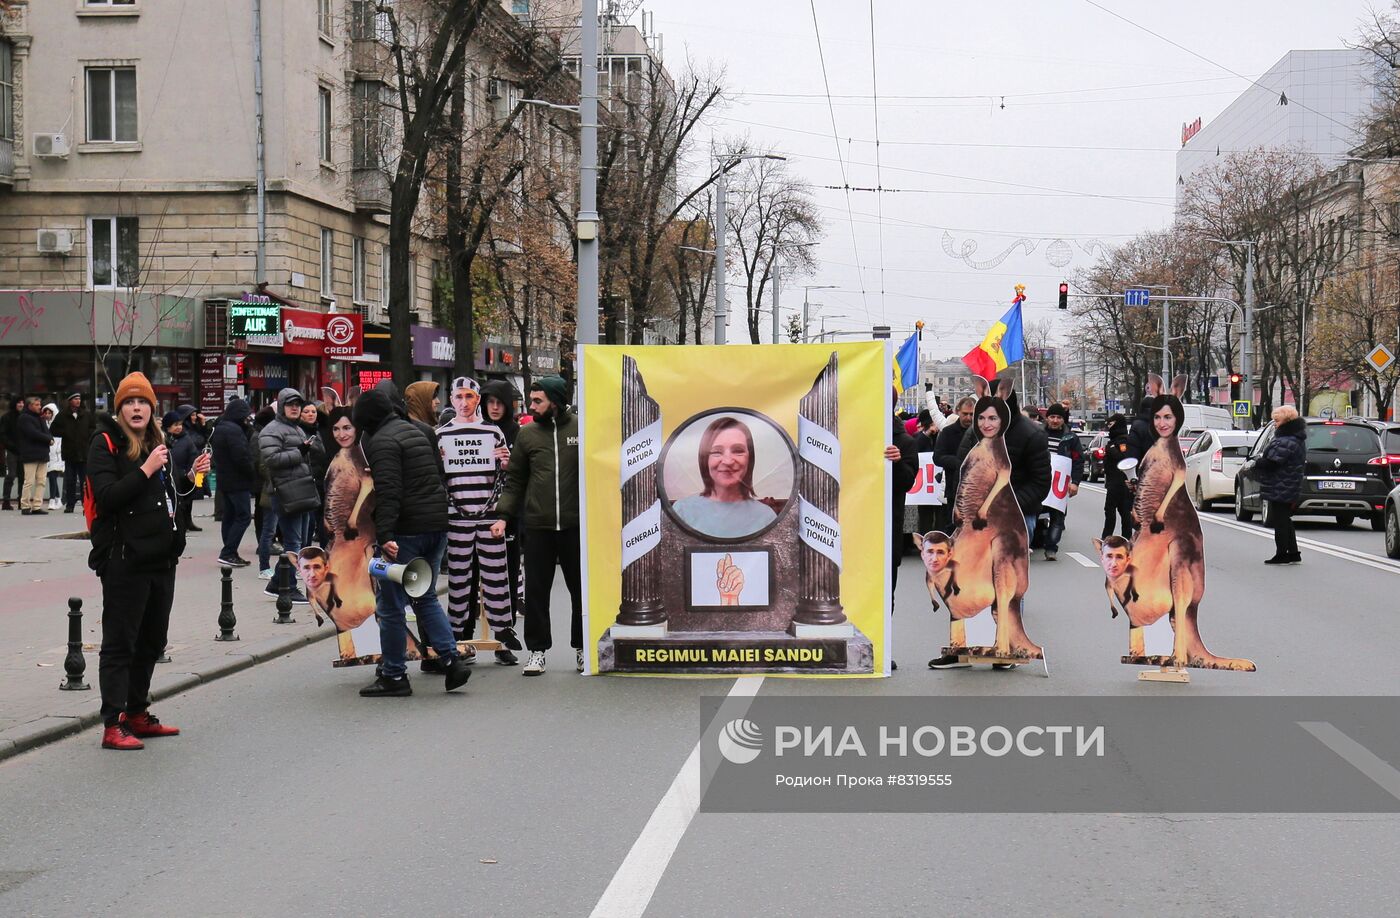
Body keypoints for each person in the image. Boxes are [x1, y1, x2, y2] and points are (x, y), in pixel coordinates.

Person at [87, 372, 211, 750]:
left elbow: (169, 497)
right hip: (125, 558)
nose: (136, 407)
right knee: (120, 643)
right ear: (120, 409)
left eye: (143, 402)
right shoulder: (105, 443)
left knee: (152, 640)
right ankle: (113, 723)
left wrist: (190, 476)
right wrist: (145, 470)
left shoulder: (158, 444)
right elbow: (107, 497)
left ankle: (137, 712)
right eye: (129, 402)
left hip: (161, 559)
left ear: (152, 409)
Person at [352, 388, 471, 696]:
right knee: (425, 596)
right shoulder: (418, 431)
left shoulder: (383, 441)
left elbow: (390, 492)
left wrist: (386, 536)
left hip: (405, 533)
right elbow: (436, 476)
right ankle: (451, 659)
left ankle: (393, 676)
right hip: (435, 527)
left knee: (390, 606)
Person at [490, 376, 583, 676]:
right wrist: (503, 516)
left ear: (554, 401)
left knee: (580, 591)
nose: (531, 406)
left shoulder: (581, 428)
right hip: (538, 526)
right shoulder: (528, 435)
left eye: (537, 401)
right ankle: (537, 652)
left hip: (575, 526)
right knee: (536, 592)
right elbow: (515, 480)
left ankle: (582, 649)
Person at [439, 377, 519, 666]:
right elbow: (439, 477)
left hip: (489, 516)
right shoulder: (442, 435)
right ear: (451, 400)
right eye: (459, 396)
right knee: (460, 578)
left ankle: (502, 633)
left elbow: (506, 476)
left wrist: (507, 464)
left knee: (496, 575)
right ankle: (457, 637)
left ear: (477, 400)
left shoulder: (493, 432)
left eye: (469, 396)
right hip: (457, 517)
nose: (464, 402)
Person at [957, 385, 1051, 544]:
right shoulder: (976, 431)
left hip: (1018, 514)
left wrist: (1008, 505)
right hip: (976, 514)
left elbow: (1040, 482)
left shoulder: (1032, 435)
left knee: (1009, 567)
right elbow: (963, 471)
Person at [258, 389, 322, 602]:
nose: (295, 408)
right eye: (290, 404)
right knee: (293, 544)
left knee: (301, 543)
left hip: (302, 490)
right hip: (286, 493)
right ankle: (288, 587)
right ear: (282, 405)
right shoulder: (271, 430)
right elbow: (271, 459)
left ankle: (277, 583)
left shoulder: (297, 428)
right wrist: (299, 452)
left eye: (298, 404)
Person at [670, 416, 778, 539]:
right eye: (717, 452)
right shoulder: (682, 511)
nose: (727, 461)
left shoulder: (766, 517)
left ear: (750, 458)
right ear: (705, 460)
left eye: (738, 450)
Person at [481, 380, 525, 633]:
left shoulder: (517, 433)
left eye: (500, 403)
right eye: (490, 403)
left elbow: (525, 472)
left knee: (506, 569)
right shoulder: (476, 431)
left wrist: (511, 464)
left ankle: (504, 633)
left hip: (507, 510)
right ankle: (467, 640)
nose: (495, 408)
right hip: (475, 508)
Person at [1251, 405, 1306, 565]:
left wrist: (1259, 461)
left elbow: (1273, 463)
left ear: (1286, 421)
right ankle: (1293, 552)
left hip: (1282, 483)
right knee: (1285, 519)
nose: (1274, 423)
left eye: (1277, 420)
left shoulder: (1287, 440)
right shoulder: (1295, 437)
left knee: (1280, 520)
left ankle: (1282, 553)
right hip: (1287, 482)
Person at [886, 405, 919, 673]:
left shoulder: (905, 442)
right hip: (856, 527)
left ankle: (883, 646)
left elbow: (908, 482)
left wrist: (897, 463)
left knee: (887, 591)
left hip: (888, 528)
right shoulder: (855, 433)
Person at [211, 397, 256, 566]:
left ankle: (230, 551)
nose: (247, 420)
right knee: (243, 516)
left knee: (229, 516)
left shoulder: (221, 428)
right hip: (238, 481)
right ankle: (228, 551)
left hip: (225, 479)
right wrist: (251, 472)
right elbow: (241, 456)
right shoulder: (235, 431)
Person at [1038, 404, 1084, 561]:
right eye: (1052, 417)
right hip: (1039, 481)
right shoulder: (1037, 434)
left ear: (1063, 420)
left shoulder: (1070, 438)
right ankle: (1029, 543)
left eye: (1059, 417)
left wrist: (1075, 482)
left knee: (1057, 517)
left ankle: (1051, 548)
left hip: (1060, 484)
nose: (1055, 420)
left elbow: (1078, 461)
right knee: (1033, 513)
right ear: (1047, 418)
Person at [933, 397, 975, 534]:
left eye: (972, 414)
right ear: (958, 412)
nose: (968, 418)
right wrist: (959, 462)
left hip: (977, 489)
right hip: (954, 488)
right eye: (965, 414)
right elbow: (938, 457)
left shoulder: (982, 433)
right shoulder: (948, 432)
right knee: (954, 527)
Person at [49, 393, 95, 513]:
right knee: (70, 480)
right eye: (75, 399)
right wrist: (66, 433)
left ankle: (87, 505)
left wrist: (87, 436)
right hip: (70, 452)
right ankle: (70, 504)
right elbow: (53, 429)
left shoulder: (86, 414)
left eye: (79, 398)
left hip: (84, 452)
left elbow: (93, 428)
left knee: (85, 481)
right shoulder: (63, 415)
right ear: (70, 401)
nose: (78, 401)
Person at [166, 405, 204, 532]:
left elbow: (193, 456)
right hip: (168, 476)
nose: (178, 427)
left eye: (180, 424)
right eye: (175, 425)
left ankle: (185, 522)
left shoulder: (186, 439)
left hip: (183, 475)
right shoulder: (162, 438)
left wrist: (191, 473)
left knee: (186, 501)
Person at [16, 395, 53, 515]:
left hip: (42, 453)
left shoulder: (40, 418)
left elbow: (47, 432)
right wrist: (48, 439)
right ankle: (25, 505)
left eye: (40, 404)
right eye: (36, 405)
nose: (39, 407)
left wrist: (49, 438)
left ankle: (37, 505)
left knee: (41, 481)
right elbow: (32, 433)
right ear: (30, 406)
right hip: (30, 454)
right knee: (29, 481)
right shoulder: (24, 418)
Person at [1101, 413, 1133, 539]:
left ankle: (1108, 537)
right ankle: (1124, 538)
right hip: (1114, 481)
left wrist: (1112, 450)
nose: (1109, 426)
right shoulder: (1114, 440)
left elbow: (1124, 459)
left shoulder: (1123, 440)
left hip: (1120, 482)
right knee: (1120, 511)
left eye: (1111, 423)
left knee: (1115, 511)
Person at [43, 403, 64, 510]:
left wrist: (58, 450)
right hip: (48, 454)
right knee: (53, 478)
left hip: (56, 454)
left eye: (49, 413)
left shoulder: (58, 424)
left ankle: (52, 500)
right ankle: (58, 499)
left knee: (52, 477)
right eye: (46, 413)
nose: (47, 415)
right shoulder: (43, 424)